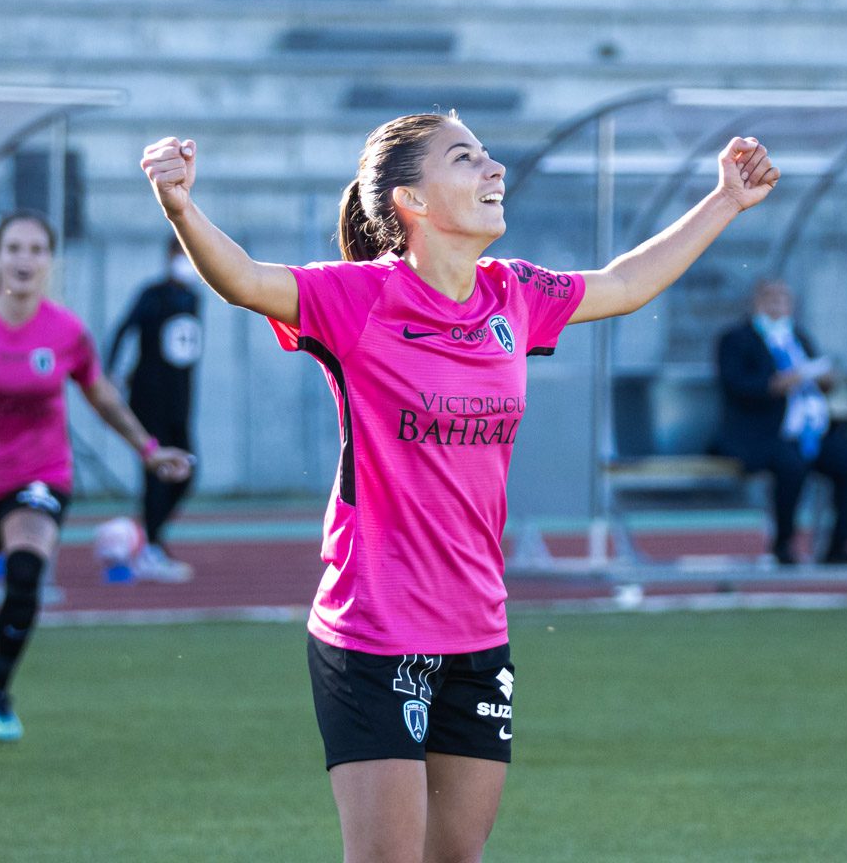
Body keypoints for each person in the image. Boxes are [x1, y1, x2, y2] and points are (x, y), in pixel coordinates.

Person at [140, 114, 778, 862]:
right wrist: (180, 205)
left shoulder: (514, 294)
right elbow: (245, 281)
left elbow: (627, 282)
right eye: (466, 158)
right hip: (373, 632)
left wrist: (726, 199)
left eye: (487, 155)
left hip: (478, 630)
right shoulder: (358, 299)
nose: (493, 169)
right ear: (411, 199)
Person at [0, 210, 193, 768]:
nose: (24, 259)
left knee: (25, 569)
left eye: (37, 249)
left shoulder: (65, 331)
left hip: (39, 475)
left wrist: (148, 448)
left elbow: (104, 398)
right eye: (13, 248)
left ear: (49, 262)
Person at [714, 279, 847, 566]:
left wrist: (824, 381)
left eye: (783, 298)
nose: (777, 305)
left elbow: (814, 374)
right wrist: (775, 384)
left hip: (809, 431)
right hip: (764, 433)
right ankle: (783, 543)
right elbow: (736, 385)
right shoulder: (736, 338)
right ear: (756, 301)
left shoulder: (799, 336)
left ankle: (841, 544)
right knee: (791, 466)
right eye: (770, 298)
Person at [105, 238, 202, 581]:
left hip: (180, 401)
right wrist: (112, 373)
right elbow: (124, 330)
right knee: (156, 474)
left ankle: (149, 536)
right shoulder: (153, 295)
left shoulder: (193, 297)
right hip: (149, 399)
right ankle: (150, 546)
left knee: (187, 471)